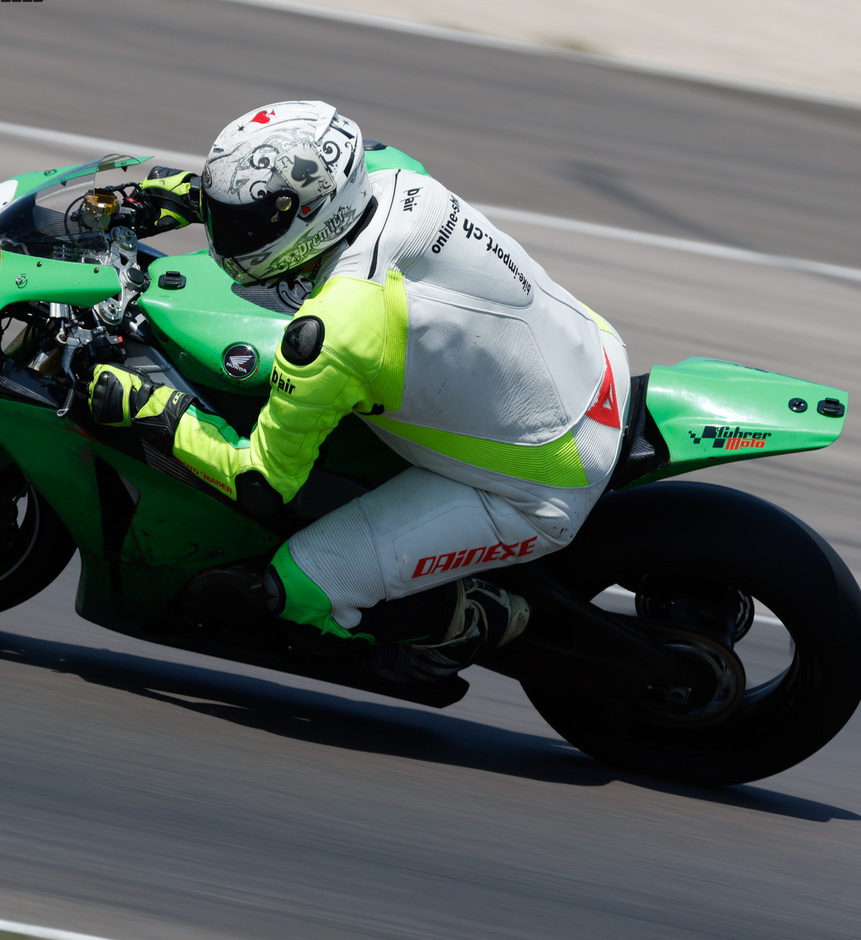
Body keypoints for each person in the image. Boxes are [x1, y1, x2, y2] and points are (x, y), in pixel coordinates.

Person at [83, 100, 628, 683]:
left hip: (544, 480)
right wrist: (176, 197)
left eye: (241, 223)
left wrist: (149, 406)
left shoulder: (334, 332)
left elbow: (261, 484)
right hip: (594, 358)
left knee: (291, 592)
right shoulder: (392, 173)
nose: (229, 235)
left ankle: (461, 620)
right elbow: (293, 198)